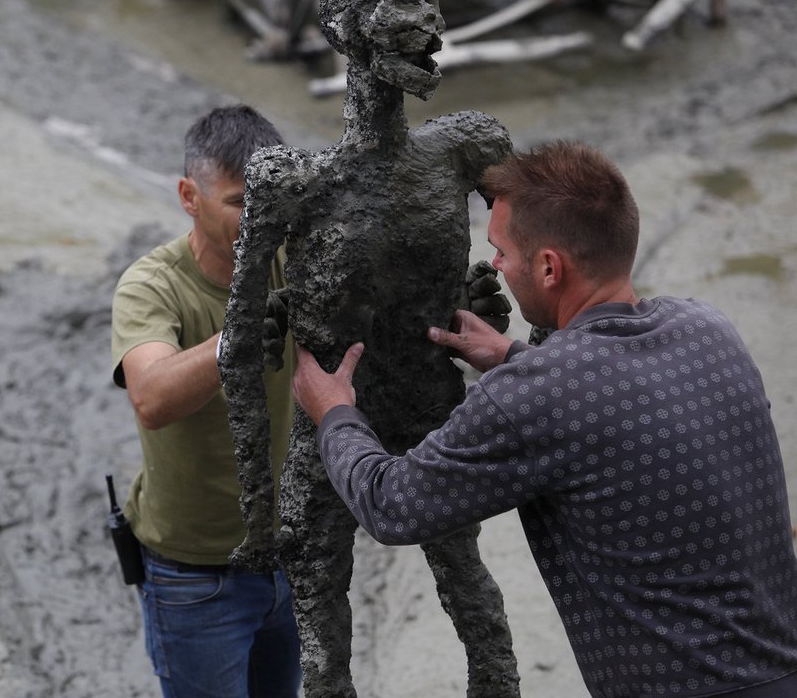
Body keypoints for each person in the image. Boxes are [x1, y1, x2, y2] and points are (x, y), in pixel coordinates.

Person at [291, 140, 797, 698]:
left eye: (502, 252)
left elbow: (391, 505)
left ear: (550, 266)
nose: (497, 268)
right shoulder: (709, 330)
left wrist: (334, 412)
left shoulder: (535, 397)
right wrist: (512, 356)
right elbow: (615, 406)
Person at [110, 104, 301, 698]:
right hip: (194, 577)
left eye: (269, 199)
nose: (259, 218)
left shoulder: (294, 264)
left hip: (288, 556)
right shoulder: (152, 285)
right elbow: (151, 397)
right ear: (189, 196)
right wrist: (235, 339)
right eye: (241, 202)